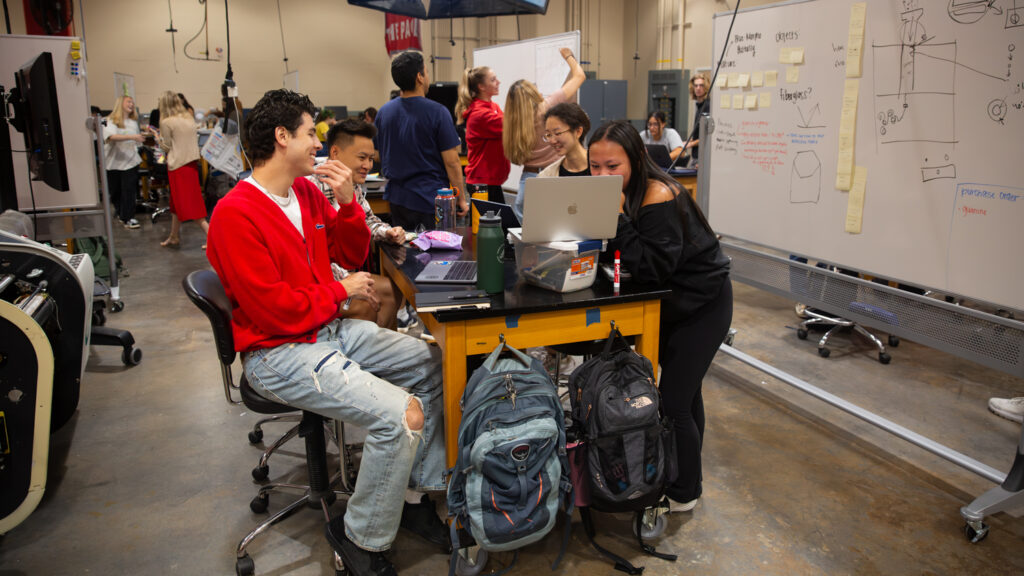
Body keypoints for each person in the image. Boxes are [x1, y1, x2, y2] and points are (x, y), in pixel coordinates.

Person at [206, 89, 448, 576]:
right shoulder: (235, 214)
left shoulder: (305, 194)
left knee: (435, 362)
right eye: (309, 133)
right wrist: (339, 293)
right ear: (281, 137)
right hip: (279, 352)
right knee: (403, 416)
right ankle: (362, 537)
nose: (318, 144)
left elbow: (352, 249)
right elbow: (274, 312)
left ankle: (412, 495)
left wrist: (346, 204)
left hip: (324, 330)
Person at [588, 120, 733, 513]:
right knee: (687, 395)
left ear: (635, 159)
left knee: (674, 401)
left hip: (703, 304)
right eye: (595, 166)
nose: (602, 175)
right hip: (673, 304)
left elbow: (652, 267)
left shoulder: (658, 195)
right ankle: (685, 472)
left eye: (612, 166)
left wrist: (616, 219)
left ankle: (686, 492)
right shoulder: (628, 192)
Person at [313, 118, 407, 329]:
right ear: (335, 153)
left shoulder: (351, 183)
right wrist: (348, 282)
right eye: (362, 158)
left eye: (371, 159)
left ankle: (383, 351)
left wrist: (387, 231)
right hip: (324, 281)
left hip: (342, 272)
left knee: (393, 291)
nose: (368, 165)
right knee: (371, 301)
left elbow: (367, 220)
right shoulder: (313, 186)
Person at [375, 50, 468, 230]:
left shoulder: (384, 113)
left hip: (396, 200)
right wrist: (461, 198)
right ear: (419, 77)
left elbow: (378, 155)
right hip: (430, 200)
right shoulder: (438, 112)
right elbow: (452, 162)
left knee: (404, 252)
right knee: (435, 254)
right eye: (426, 71)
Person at [504, 47, 585, 220]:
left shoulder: (512, 123)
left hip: (529, 177)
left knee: (526, 223)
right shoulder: (547, 107)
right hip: (556, 173)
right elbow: (580, 76)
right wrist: (568, 56)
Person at [156, 91, 209, 248]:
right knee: (177, 204)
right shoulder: (188, 119)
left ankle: (212, 235)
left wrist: (158, 139)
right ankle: (173, 236)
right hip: (191, 164)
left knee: (189, 204)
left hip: (178, 165)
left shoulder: (166, 122)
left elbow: (166, 146)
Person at [456, 66, 509, 203]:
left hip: (491, 180)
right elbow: (511, 126)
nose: (498, 82)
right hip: (482, 182)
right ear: (481, 86)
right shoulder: (480, 114)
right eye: (493, 80)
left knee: (499, 222)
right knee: (488, 224)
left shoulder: (493, 107)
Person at [103, 95, 146, 229]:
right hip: (113, 162)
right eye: (128, 102)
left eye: (133, 102)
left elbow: (137, 140)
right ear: (120, 103)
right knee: (115, 191)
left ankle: (128, 217)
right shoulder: (110, 121)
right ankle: (122, 214)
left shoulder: (133, 122)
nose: (131, 104)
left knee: (129, 190)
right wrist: (132, 137)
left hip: (130, 161)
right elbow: (111, 137)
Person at [537, 102, 591, 179]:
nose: (552, 141)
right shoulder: (547, 176)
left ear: (578, 132)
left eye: (557, 133)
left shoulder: (601, 167)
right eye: (548, 135)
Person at [684, 73, 710, 166]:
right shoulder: (699, 106)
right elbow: (697, 133)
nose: (698, 88)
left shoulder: (707, 106)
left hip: (702, 156)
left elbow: (707, 136)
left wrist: (690, 144)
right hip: (695, 156)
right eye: (696, 85)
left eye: (701, 85)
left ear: (706, 87)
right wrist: (689, 141)